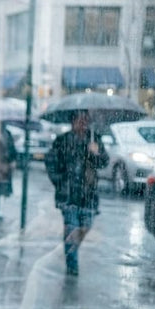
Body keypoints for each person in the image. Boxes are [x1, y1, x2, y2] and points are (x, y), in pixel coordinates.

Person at [44, 110, 109, 276]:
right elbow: (51, 163)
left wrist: (97, 153)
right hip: (69, 196)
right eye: (80, 120)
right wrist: (60, 182)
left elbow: (104, 162)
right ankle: (72, 265)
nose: (83, 124)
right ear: (73, 122)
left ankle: (70, 250)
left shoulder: (94, 139)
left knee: (86, 226)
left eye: (86, 120)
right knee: (71, 228)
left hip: (89, 196)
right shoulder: (63, 141)